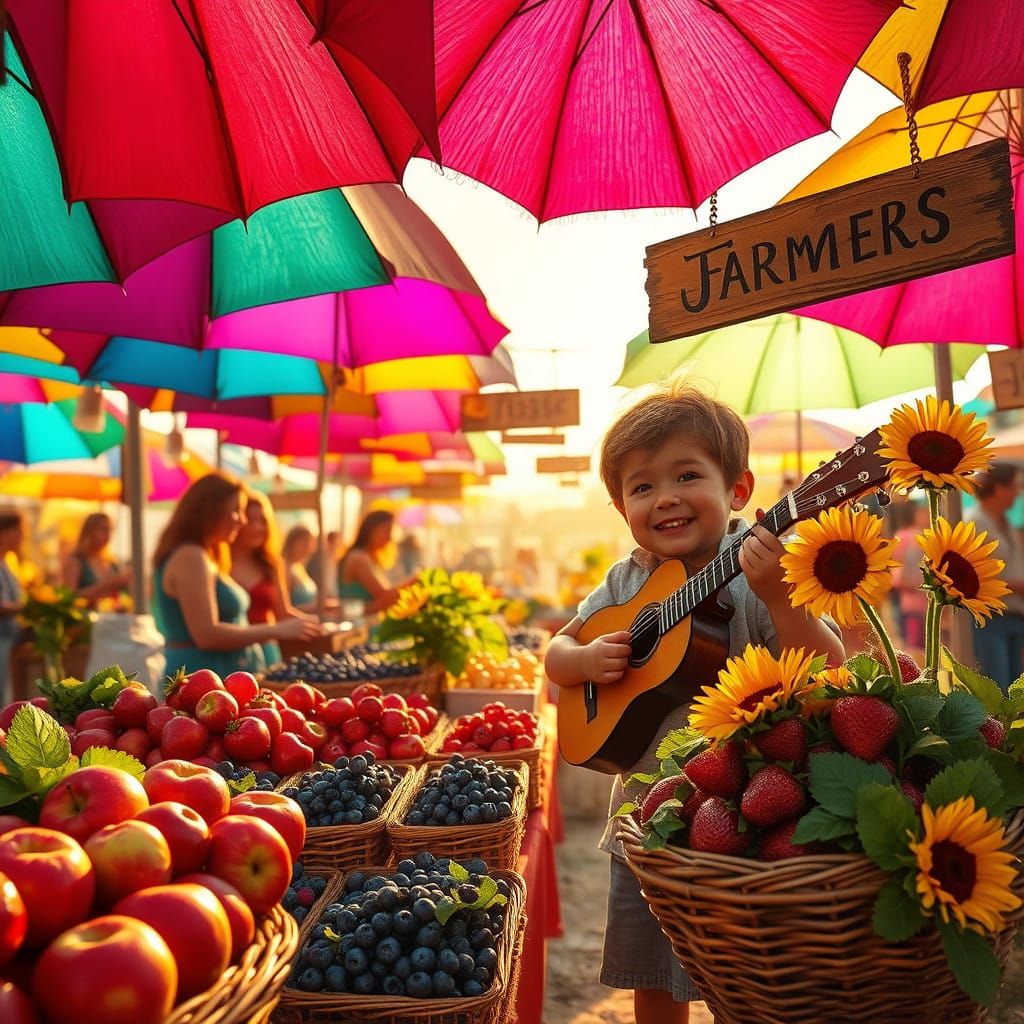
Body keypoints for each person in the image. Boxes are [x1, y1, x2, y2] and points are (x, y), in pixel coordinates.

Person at [544, 382, 844, 1024]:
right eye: (642, 486)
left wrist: (785, 601)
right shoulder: (626, 579)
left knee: (751, 981)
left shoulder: (760, 572)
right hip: (645, 823)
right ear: (620, 506)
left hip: (745, 821)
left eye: (687, 475)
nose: (666, 498)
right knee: (650, 976)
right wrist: (586, 660)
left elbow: (832, 673)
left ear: (738, 489)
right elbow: (556, 654)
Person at [153, 474, 318, 679]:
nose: (242, 520)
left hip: (217, 679)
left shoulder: (204, 555)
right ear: (211, 511)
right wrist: (276, 630)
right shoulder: (191, 556)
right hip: (203, 684)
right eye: (236, 511)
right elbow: (207, 635)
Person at [229, 489, 320, 667]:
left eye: (263, 521)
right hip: (231, 653)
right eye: (250, 520)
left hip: (267, 653)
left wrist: (312, 624)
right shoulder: (219, 564)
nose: (258, 527)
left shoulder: (272, 565)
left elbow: (283, 612)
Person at [966, 462, 1024, 687]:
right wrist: (1015, 585)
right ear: (998, 488)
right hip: (991, 617)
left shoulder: (1005, 523)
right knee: (997, 688)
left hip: (1014, 614)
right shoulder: (976, 521)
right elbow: (973, 577)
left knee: (1014, 690)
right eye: (1013, 486)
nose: (1017, 493)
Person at [337, 511, 409, 615]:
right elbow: (384, 598)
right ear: (372, 530)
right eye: (387, 530)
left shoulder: (368, 558)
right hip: (360, 626)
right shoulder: (359, 558)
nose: (390, 537)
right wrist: (415, 581)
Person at [61, 513, 131, 607]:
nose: (108, 535)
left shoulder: (111, 562)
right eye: (103, 530)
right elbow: (69, 598)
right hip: (86, 619)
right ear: (89, 531)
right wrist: (107, 585)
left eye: (110, 530)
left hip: (112, 618)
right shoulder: (76, 560)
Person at [893, 500, 931, 655]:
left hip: (923, 600)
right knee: (915, 647)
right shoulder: (905, 536)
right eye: (922, 512)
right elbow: (896, 566)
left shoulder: (925, 535)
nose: (926, 515)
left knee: (923, 645)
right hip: (912, 600)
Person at [0, 511, 25, 704]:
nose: (21, 537)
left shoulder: (7, 564)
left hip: (9, 638)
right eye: (17, 531)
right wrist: (27, 607)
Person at [283, 525, 320, 611]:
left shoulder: (300, 567)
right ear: (292, 542)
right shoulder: (285, 569)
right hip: (296, 623)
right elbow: (283, 610)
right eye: (304, 542)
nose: (308, 547)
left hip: (309, 621)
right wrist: (314, 608)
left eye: (310, 542)